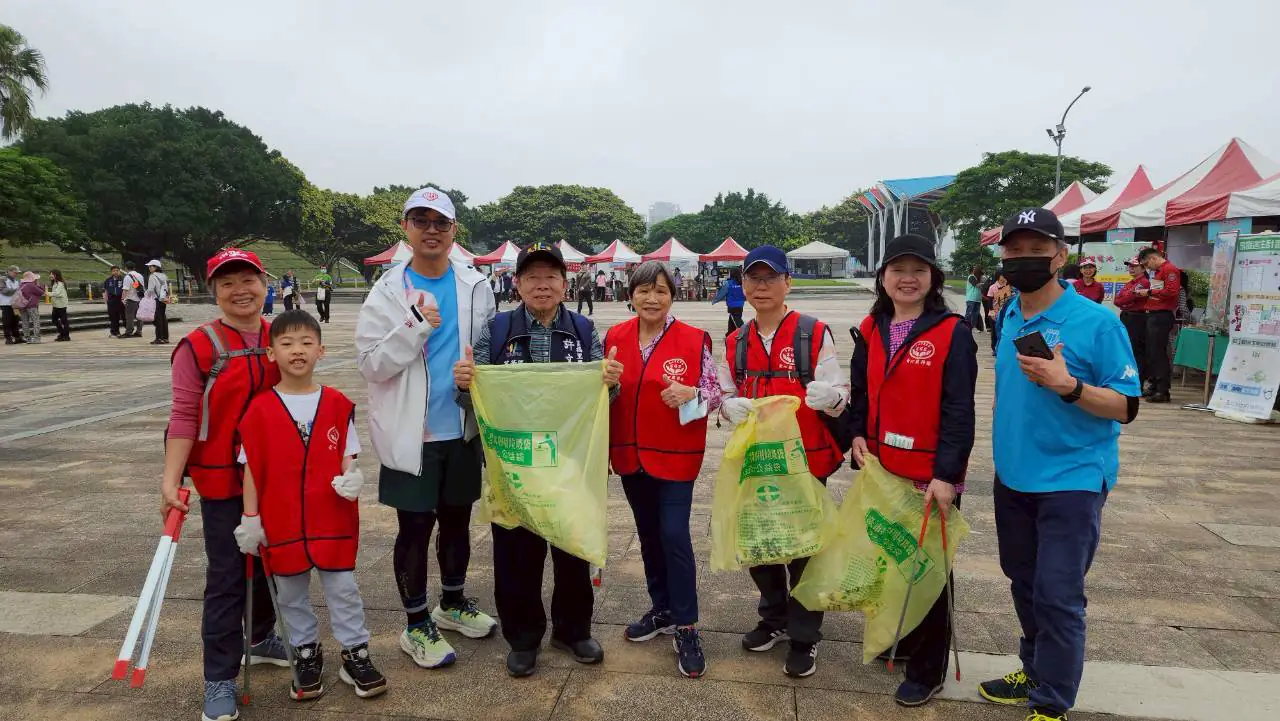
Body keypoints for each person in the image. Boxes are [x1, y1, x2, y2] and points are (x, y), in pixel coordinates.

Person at [979, 208, 1141, 721]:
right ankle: (1033, 669)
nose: (1024, 259)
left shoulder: (1097, 322)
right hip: (1013, 475)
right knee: (1022, 581)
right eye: (1014, 250)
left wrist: (1068, 385)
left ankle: (1052, 702)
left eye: (1036, 250)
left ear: (1061, 254)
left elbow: (1127, 406)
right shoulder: (1009, 316)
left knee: (1057, 593)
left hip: (1072, 480)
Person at [454, 241, 621, 678]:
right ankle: (523, 638)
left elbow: (605, 396)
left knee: (572, 550)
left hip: (570, 464)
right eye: (532, 277)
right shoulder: (498, 329)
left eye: (551, 277)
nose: (541, 285)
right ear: (518, 284)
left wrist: (610, 381)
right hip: (515, 465)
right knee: (516, 556)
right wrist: (466, 381)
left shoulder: (584, 331)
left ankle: (572, 629)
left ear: (566, 284)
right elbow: (472, 393)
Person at [355, 187, 498, 672]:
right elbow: (371, 364)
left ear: (454, 230)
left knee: (458, 521)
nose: (431, 230)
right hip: (411, 433)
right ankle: (416, 623)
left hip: (461, 428)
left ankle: (452, 603)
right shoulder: (387, 290)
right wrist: (414, 328)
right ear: (406, 229)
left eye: (441, 222)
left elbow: (488, 348)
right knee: (415, 527)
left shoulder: (477, 286)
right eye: (421, 221)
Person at [159, 248, 290, 721]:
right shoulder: (199, 346)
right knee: (226, 578)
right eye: (228, 281)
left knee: (275, 562)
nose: (241, 290)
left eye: (249, 279)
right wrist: (171, 480)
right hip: (223, 484)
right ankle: (219, 678)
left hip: (277, 477)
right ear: (214, 290)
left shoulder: (285, 334)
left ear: (265, 283)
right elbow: (184, 416)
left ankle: (259, 637)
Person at [848, 234, 977, 706]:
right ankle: (906, 638)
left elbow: (960, 409)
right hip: (884, 468)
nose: (908, 279)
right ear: (883, 277)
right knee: (897, 560)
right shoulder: (873, 325)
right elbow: (860, 389)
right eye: (898, 270)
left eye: (918, 271)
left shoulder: (951, 331)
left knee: (931, 569)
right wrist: (855, 432)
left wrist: (947, 474)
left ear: (933, 279)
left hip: (930, 476)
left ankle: (929, 667)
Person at [233, 310, 388, 701]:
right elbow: (250, 467)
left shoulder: (336, 403)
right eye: (286, 344)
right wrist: (251, 518)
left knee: (344, 589)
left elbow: (347, 455)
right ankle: (304, 652)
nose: (296, 351)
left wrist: (353, 477)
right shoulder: (260, 410)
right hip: (281, 520)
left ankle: (356, 653)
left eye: (305, 343)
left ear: (321, 350)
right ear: (271, 353)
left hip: (331, 517)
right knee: (290, 594)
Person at [718, 245, 848, 679]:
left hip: (804, 461)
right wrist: (727, 406)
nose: (761, 286)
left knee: (805, 547)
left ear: (787, 282)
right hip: (757, 461)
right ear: (743, 286)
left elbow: (837, 393)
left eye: (770, 278)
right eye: (753, 279)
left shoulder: (812, 332)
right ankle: (773, 617)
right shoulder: (736, 341)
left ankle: (805, 634)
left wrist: (831, 398)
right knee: (761, 543)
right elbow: (724, 392)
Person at [605, 261, 721, 679]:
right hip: (631, 455)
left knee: (674, 534)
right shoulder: (616, 337)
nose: (652, 298)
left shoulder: (693, 339)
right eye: (643, 291)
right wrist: (606, 381)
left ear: (673, 296)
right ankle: (662, 608)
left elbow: (716, 394)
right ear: (630, 295)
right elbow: (605, 394)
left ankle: (686, 624)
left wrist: (693, 392)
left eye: (661, 291)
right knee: (649, 535)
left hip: (675, 455)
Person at [1135, 247, 1182, 403]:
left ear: (1153, 258)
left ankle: (1162, 389)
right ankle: (1154, 385)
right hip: (1153, 314)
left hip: (1161, 315)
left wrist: (1149, 292)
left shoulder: (1169, 269)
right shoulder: (1160, 271)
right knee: (1152, 352)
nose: (1148, 268)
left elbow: (1171, 291)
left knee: (1158, 352)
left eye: (1147, 264)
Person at [1114, 258, 1150, 391]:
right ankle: (1130, 379)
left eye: (1135, 266)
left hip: (1137, 318)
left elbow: (1128, 298)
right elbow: (1117, 301)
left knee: (1136, 351)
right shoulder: (1130, 283)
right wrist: (1127, 298)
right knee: (1127, 349)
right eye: (1130, 266)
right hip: (1127, 316)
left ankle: (1138, 382)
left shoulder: (1144, 282)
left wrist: (1127, 298)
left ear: (1143, 268)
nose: (1131, 268)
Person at [711, 267, 746, 335]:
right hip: (740, 305)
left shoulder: (728, 283)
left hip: (732, 305)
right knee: (732, 319)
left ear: (732, 274)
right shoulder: (742, 283)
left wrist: (715, 300)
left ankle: (745, 333)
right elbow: (746, 294)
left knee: (737, 321)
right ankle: (730, 333)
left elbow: (722, 294)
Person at [986, 272, 1014, 356]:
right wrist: (992, 312)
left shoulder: (1009, 287)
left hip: (1005, 312)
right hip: (995, 312)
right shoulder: (992, 287)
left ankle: (1001, 349)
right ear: (998, 276)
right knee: (994, 332)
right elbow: (990, 300)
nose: (1004, 278)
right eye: (1002, 276)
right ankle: (994, 348)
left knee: (1003, 331)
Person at [146, 259, 171, 345]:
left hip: (156, 299)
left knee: (158, 318)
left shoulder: (152, 276)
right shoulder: (163, 276)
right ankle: (165, 337)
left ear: (155, 267)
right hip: (163, 299)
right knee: (163, 318)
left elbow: (150, 289)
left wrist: (146, 297)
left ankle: (159, 338)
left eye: (150, 266)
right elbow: (166, 288)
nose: (149, 268)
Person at [17, 271, 45, 343]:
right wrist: (38, 285)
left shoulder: (20, 285)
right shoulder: (31, 285)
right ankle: (36, 338)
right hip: (31, 306)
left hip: (22, 307)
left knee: (25, 322)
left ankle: (27, 338)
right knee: (36, 321)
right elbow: (41, 292)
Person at [122, 261, 146, 338]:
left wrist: (123, 299)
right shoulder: (140, 275)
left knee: (129, 316)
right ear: (134, 267)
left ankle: (129, 332)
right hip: (140, 298)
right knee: (139, 316)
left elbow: (125, 289)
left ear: (125, 267)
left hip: (131, 299)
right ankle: (139, 331)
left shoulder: (128, 277)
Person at [47, 269, 71, 342]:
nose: (50, 275)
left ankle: (65, 335)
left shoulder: (60, 283)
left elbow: (57, 293)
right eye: (50, 274)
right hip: (56, 305)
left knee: (64, 321)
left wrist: (46, 293)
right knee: (54, 320)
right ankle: (63, 334)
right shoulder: (55, 283)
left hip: (61, 306)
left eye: (52, 274)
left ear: (56, 275)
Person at [104, 265, 126, 337]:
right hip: (111, 300)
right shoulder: (108, 280)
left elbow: (134, 285)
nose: (115, 272)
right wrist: (106, 300)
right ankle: (115, 332)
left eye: (117, 270)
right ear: (111, 272)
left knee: (124, 316)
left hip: (121, 300)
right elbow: (105, 290)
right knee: (113, 317)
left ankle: (128, 331)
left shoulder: (124, 279)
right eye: (114, 271)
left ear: (119, 271)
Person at [1, 265, 20, 344]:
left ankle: (18, 337)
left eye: (17, 273)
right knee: (7, 322)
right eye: (15, 272)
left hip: (15, 304)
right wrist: (17, 290)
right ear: (9, 271)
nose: (16, 274)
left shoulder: (16, 281)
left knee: (16, 321)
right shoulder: (2, 279)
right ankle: (8, 338)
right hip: (6, 304)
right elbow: (4, 291)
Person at [965, 266, 986, 332]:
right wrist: (984, 284)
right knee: (969, 313)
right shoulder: (971, 277)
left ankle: (973, 327)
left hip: (978, 299)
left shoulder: (978, 278)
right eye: (974, 268)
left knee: (975, 314)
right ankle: (965, 326)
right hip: (971, 298)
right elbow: (977, 285)